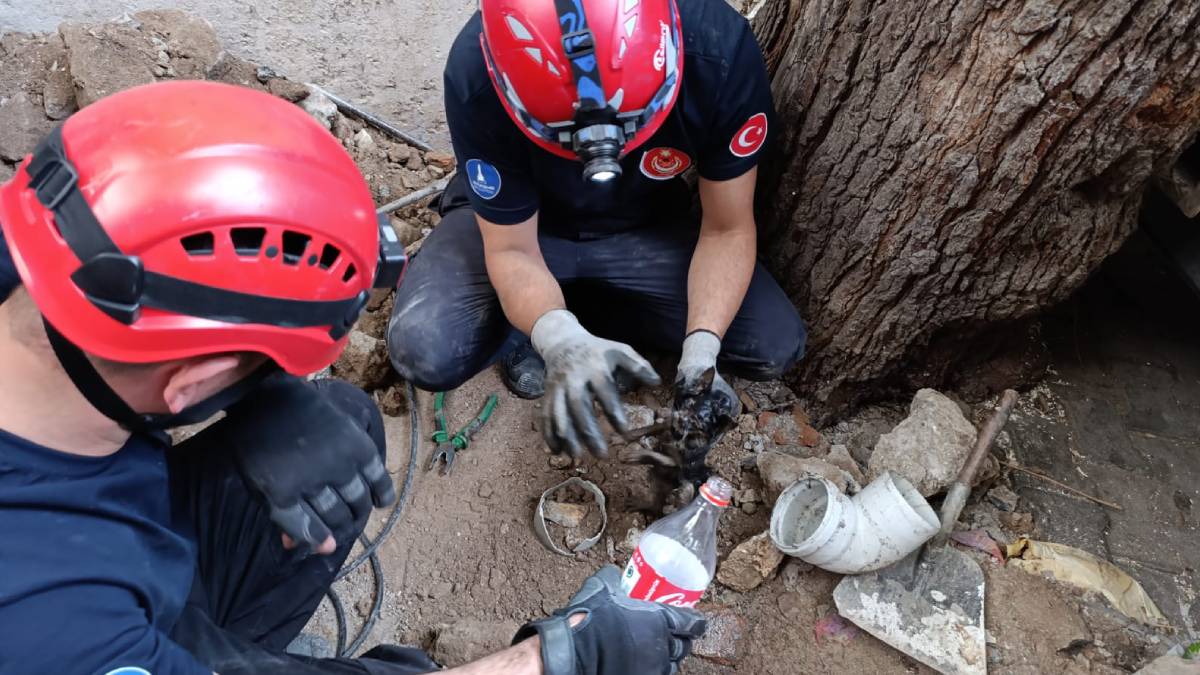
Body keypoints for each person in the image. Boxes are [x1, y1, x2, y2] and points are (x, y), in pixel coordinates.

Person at [0, 80, 704, 675]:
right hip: (95, 615)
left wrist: (258, 399)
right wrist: (548, 660)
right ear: (190, 381)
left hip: (110, 537)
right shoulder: (55, 623)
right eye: (255, 368)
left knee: (336, 432)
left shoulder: (49, 222)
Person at [388, 0, 807, 459]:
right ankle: (549, 321)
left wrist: (701, 354)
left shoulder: (718, 52)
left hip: (643, 227)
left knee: (770, 341)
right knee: (424, 347)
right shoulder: (480, 69)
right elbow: (511, 250)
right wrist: (557, 337)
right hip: (521, 227)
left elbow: (726, 229)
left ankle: (569, 315)